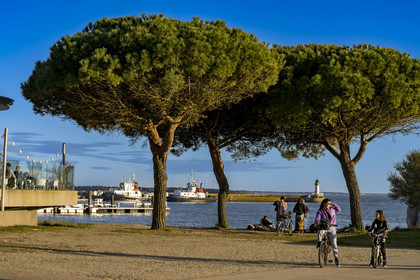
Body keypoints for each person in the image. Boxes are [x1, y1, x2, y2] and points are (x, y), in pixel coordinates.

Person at [315, 198, 341, 266]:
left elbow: (339, 209)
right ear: (324, 203)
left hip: (332, 227)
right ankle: (320, 243)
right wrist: (317, 223)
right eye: (328, 203)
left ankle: (336, 257)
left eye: (330, 203)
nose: (329, 204)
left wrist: (334, 204)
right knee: (320, 232)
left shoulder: (332, 210)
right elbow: (317, 219)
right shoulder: (320, 211)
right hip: (324, 226)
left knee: (334, 243)